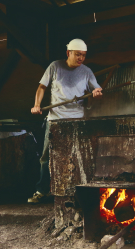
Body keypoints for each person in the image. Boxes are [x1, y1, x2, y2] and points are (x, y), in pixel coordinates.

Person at [28, 38, 103, 203]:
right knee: (46, 158)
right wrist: (36, 105)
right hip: (55, 120)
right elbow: (42, 87)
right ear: (69, 53)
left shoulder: (86, 71)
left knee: (78, 156)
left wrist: (96, 93)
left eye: (83, 55)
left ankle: (78, 191)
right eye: (77, 54)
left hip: (77, 121)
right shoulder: (55, 66)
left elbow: (95, 90)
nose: (81, 58)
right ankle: (42, 191)